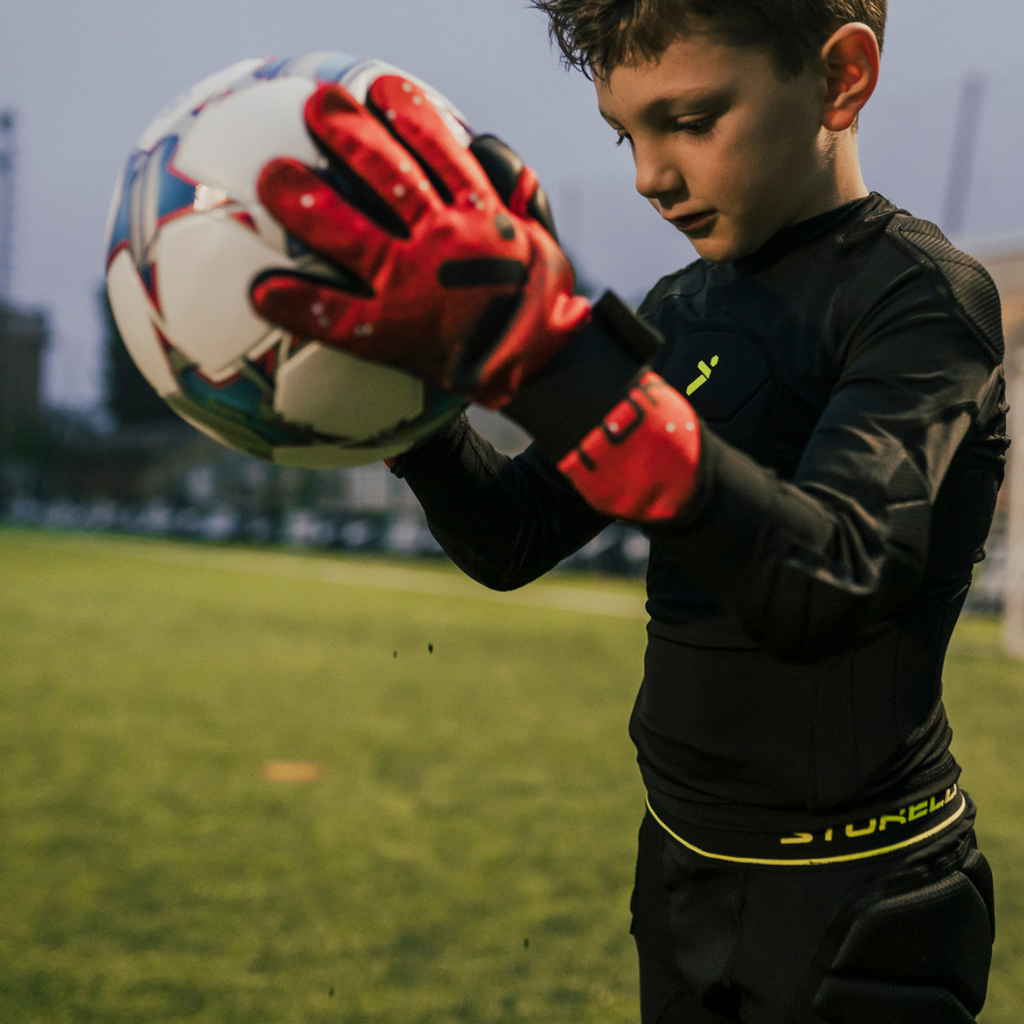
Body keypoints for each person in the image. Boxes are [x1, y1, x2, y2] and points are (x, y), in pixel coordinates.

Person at [249, 1, 1009, 1020]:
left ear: (839, 77)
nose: (649, 174)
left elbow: (826, 580)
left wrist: (552, 362)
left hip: (863, 902)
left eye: (690, 120)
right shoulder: (677, 309)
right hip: (681, 870)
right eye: (626, 133)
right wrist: (414, 397)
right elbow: (511, 536)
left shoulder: (922, 299)